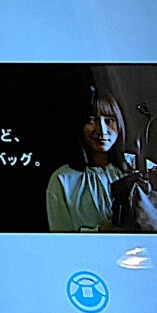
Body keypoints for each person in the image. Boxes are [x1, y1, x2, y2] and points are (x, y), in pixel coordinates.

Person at [44, 88, 133, 233]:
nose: (102, 130)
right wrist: (97, 231)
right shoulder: (62, 179)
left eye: (109, 120)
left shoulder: (137, 168)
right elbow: (60, 237)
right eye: (91, 120)